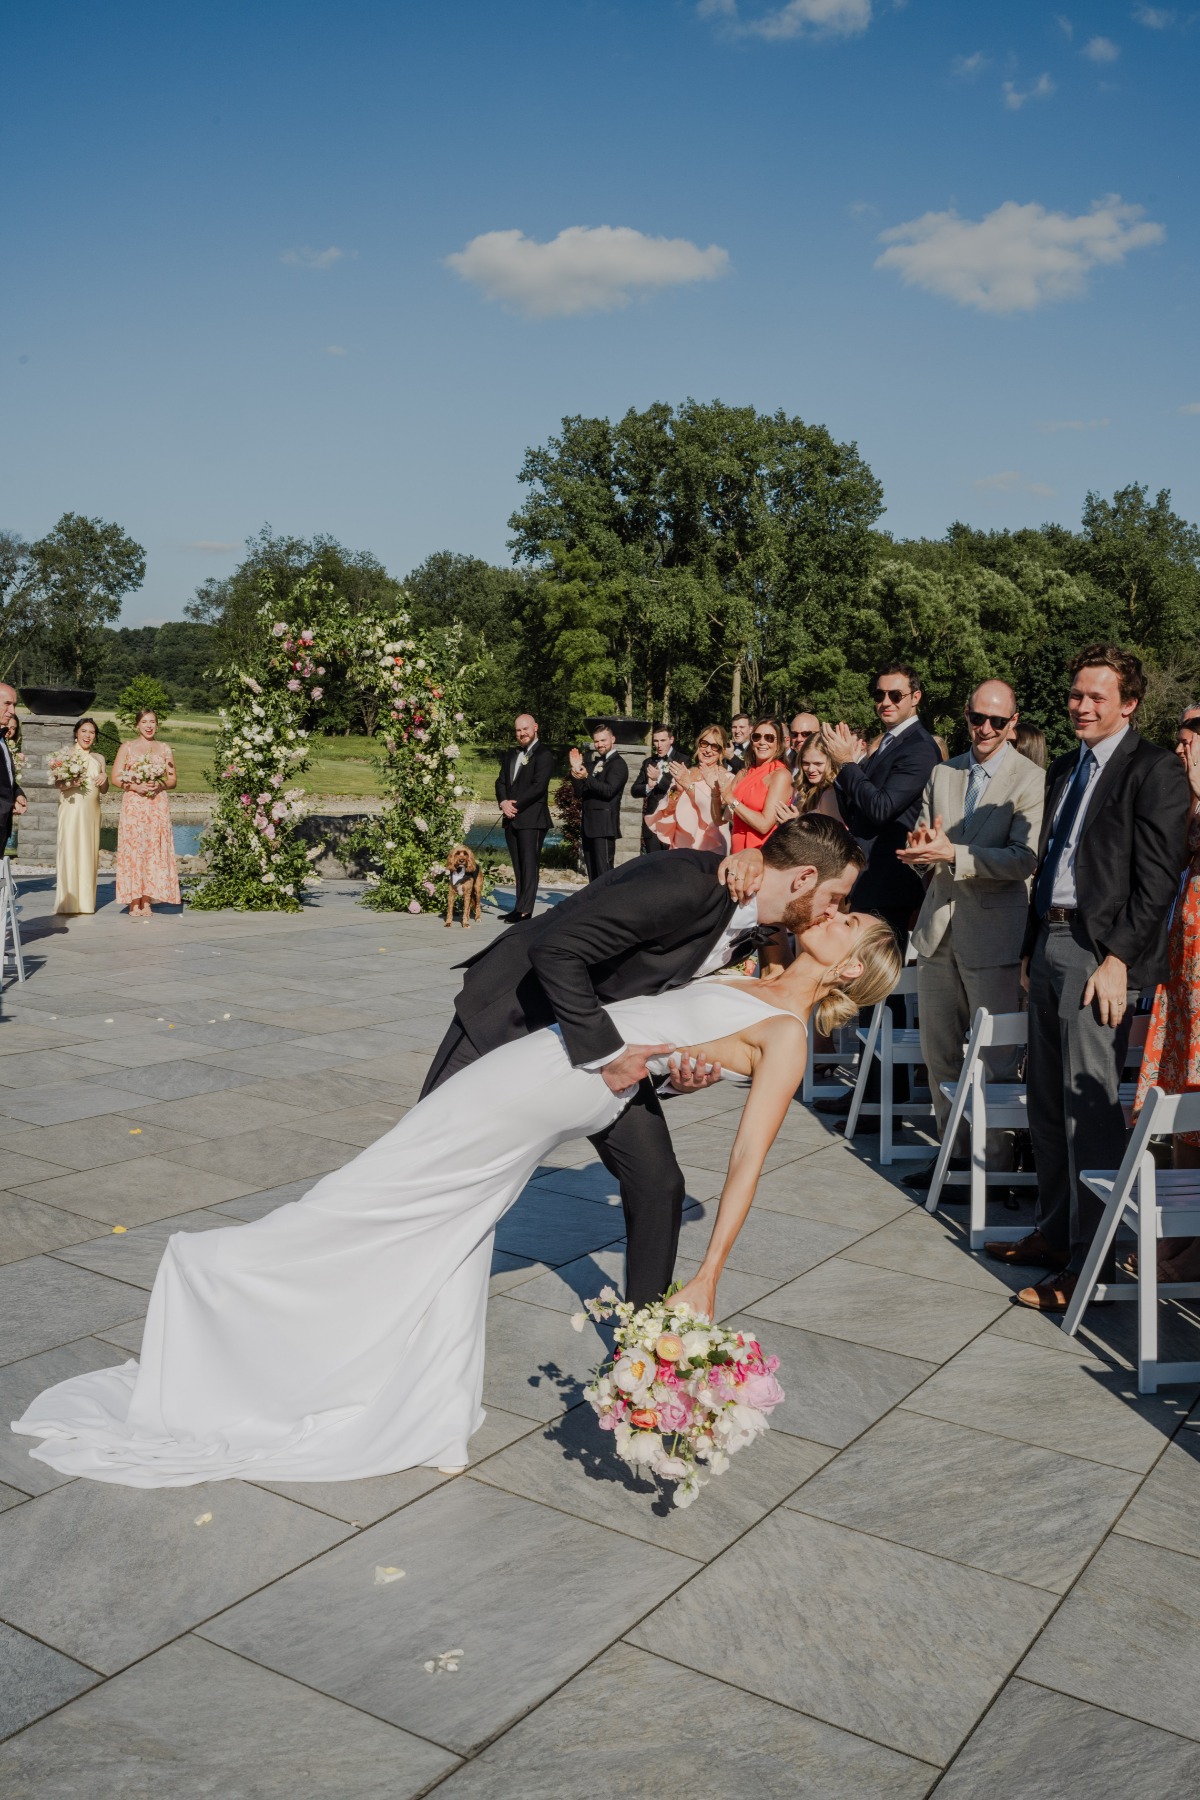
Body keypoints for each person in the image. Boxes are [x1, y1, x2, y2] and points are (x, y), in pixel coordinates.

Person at [12, 905, 899, 1489]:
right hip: (558, 1068)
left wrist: (706, 1277)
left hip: (555, 1084)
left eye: (850, 921)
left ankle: (224, 1281)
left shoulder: (786, 1036)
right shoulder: (753, 971)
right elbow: (668, 1034)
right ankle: (414, 1389)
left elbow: (749, 1162)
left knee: (386, 1188)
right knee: (445, 1215)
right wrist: (684, 1069)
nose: (834, 913)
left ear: (851, 971)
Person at [422, 815, 867, 1304]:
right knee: (427, 1161)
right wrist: (611, 1056)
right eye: (836, 898)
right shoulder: (688, 884)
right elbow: (557, 950)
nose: (834, 910)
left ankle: (644, 1344)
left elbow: (661, 1004)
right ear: (804, 878)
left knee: (657, 1183)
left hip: (604, 1044)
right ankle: (396, 1285)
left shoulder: (754, 924)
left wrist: (675, 1078)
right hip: (513, 1010)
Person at [986, 646, 1190, 1311]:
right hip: (1049, 938)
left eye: (1097, 697)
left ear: (1129, 702)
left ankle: (1092, 1261)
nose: (1081, 705)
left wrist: (1117, 959)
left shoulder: (1153, 769)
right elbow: (1051, 863)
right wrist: (1027, 946)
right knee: (1043, 1100)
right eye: (1076, 694)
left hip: (1100, 954)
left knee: (1088, 1108)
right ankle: (1054, 1230)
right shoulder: (1069, 766)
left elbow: (1157, 881)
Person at [897, 680, 1044, 1189]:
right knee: (939, 1054)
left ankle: (995, 1171)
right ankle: (954, 1162)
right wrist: (919, 849)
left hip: (994, 939)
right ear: (965, 716)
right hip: (938, 932)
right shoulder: (944, 771)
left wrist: (951, 854)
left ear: (1013, 724)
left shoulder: (1031, 780)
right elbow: (924, 834)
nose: (984, 729)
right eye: (976, 718)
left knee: (995, 1061)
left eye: (996, 722)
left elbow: (1025, 859)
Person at [814, 665, 940, 1119]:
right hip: (869, 876)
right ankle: (874, 1090)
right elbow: (857, 809)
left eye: (895, 694)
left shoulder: (919, 748)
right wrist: (845, 767)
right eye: (879, 694)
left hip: (892, 880)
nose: (885, 701)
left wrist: (849, 765)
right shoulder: (888, 744)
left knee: (881, 985)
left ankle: (884, 1095)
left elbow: (883, 808)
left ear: (915, 698)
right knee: (870, 987)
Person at [1129, 703, 1200, 1283]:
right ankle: (1181, 1241)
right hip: (1183, 979)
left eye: (1189, 741)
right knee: (1182, 1109)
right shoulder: (1189, 807)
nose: (1180, 751)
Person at [111, 709, 180, 918]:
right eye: (144, 722)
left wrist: (158, 784)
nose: (149, 726)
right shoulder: (127, 747)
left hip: (157, 804)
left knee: (152, 849)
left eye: (152, 722)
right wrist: (134, 786)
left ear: (157, 725)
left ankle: (148, 899)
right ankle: (133, 900)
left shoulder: (165, 749)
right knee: (134, 848)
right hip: (134, 805)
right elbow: (115, 777)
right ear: (137, 725)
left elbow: (172, 780)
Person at [495, 713, 553, 921]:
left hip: (532, 819)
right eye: (518, 730)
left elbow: (538, 787)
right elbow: (500, 782)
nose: (522, 733)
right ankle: (518, 906)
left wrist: (514, 805)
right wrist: (503, 802)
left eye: (525, 729)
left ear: (535, 727)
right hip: (511, 818)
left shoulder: (544, 755)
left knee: (529, 865)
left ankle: (526, 911)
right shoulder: (511, 754)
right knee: (518, 866)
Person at [53, 717, 109, 916]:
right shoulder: (65, 754)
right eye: (84, 731)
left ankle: (85, 903)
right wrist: (71, 783)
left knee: (88, 852)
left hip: (91, 812)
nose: (88, 735)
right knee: (69, 850)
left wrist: (104, 779)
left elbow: (104, 789)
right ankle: (66, 902)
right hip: (71, 808)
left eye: (92, 732)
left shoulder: (99, 758)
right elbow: (58, 784)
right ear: (76, 733)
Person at [647, 726, 730, 853]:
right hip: (680, 845)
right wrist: (677, 791)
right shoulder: (685, 773)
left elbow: (718, 816)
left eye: (715, 746)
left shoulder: (727, 778)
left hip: (711, 846)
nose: (708, 750)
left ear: (722, 751)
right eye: (704, 744)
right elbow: (667, 812)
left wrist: (689, 786)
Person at [717, 717, 792, 853]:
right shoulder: (745, 772)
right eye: (757, 737)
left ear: (779, 743)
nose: (762, 742)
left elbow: (764, 825)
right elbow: (724, 816)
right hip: (737, 851)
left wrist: (731, 800)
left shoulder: (780, 775)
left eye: (769, 738)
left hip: (761, 854)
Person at [569, 724, 628, 881]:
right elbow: (579, 792)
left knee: (605, 874)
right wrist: (575, 770)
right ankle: (594, 905)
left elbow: (608, 791)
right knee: (593, 876)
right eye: (596, 741)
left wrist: (587, 777)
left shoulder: (619, 764)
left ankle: (609, 905)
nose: (600, 744)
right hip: (589, 826)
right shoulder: (594, 764)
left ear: (612, 739)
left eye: (603, 740)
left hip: (604, 827)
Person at [631, 726, 676, 854]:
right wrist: (649, 786)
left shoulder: (682, 760)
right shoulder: (648, 763)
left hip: (672, 822)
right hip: (652, 824)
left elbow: (676, 787)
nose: (658, 745)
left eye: (662, 741)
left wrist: (658, 780)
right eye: (656, 741)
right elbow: (634, 790)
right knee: (652, 864)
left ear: (671, 739)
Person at [0, 685, 27, 854]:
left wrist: (17, 793)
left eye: (14, 705)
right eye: (7, 703)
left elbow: (5, 776)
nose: (12, 710)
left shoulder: (3, 740)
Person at [793, 731, 843, 821]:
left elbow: (832, 833)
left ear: (832, 763)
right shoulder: (807, 789)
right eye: (806, 763)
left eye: (818, 763)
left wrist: (794, 822)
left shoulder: (831, 793)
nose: (811, 769)